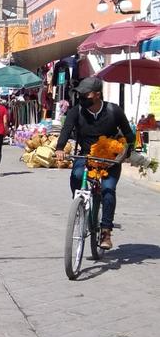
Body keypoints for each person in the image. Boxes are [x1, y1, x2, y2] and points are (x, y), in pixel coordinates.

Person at [55, 77, 135, 250]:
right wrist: (60, 148)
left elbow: (129, 135)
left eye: (86, 94)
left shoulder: (114, 111)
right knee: (76, 175)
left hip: (110, 160)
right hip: (86, 156)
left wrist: (127, 152)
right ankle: (80, 205)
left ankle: (106, 230)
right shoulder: (76, 111)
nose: (82, 97)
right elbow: (66, 129)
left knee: (108, 190)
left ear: (97, 95)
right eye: (80, 94)